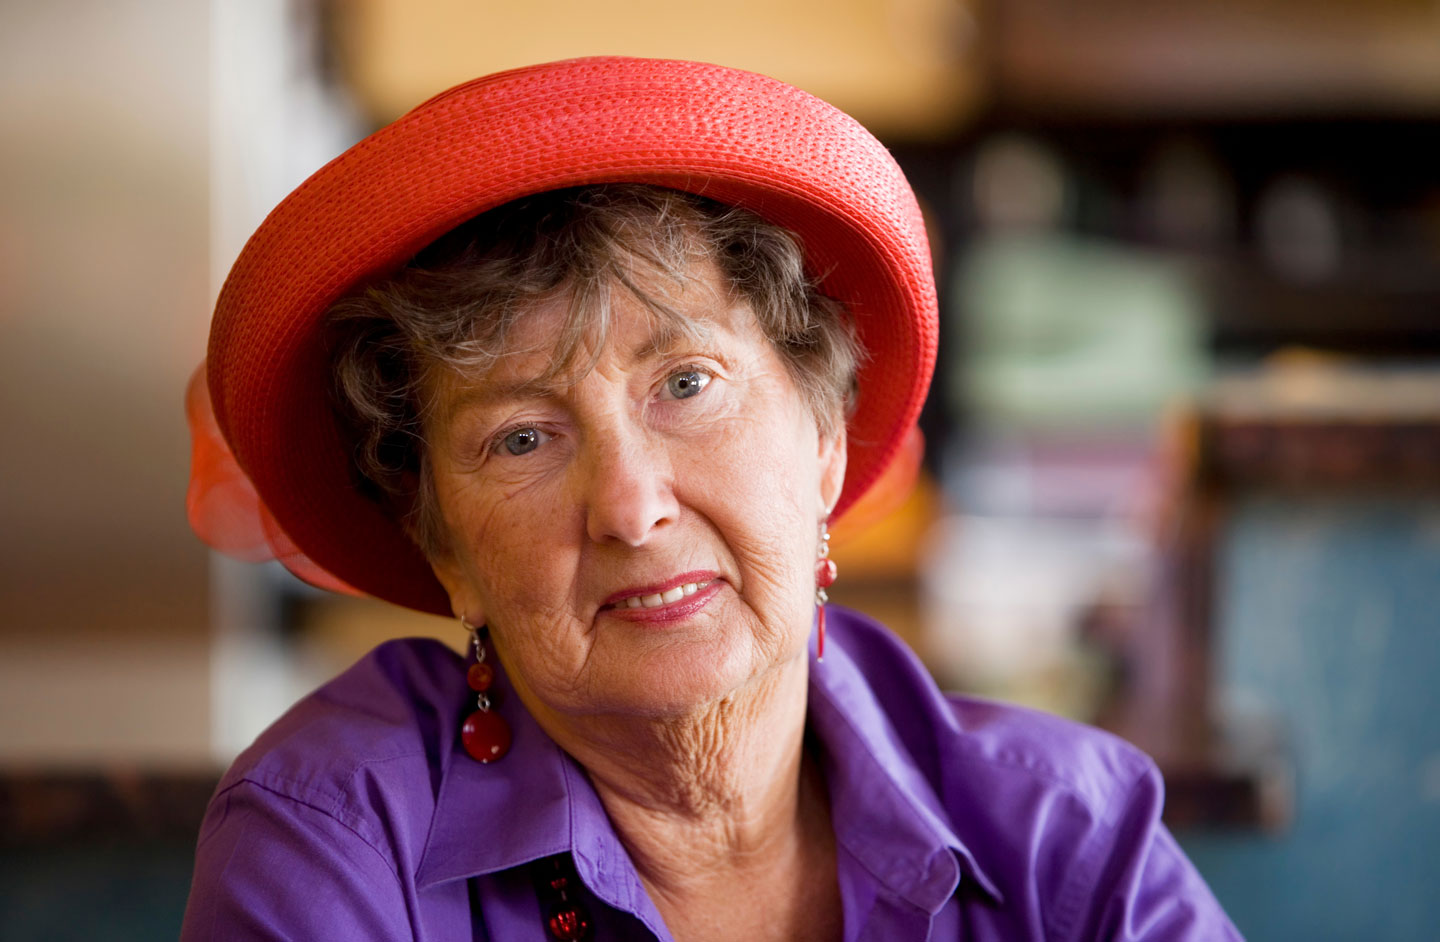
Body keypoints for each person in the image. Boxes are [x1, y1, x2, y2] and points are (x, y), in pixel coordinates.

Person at [181, 57, 1240, 940]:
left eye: (686, 385)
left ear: (823, 441)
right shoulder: (336, 834)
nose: (631, 507)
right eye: (522, 437)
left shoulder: (1071, 834)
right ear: (447, 550)